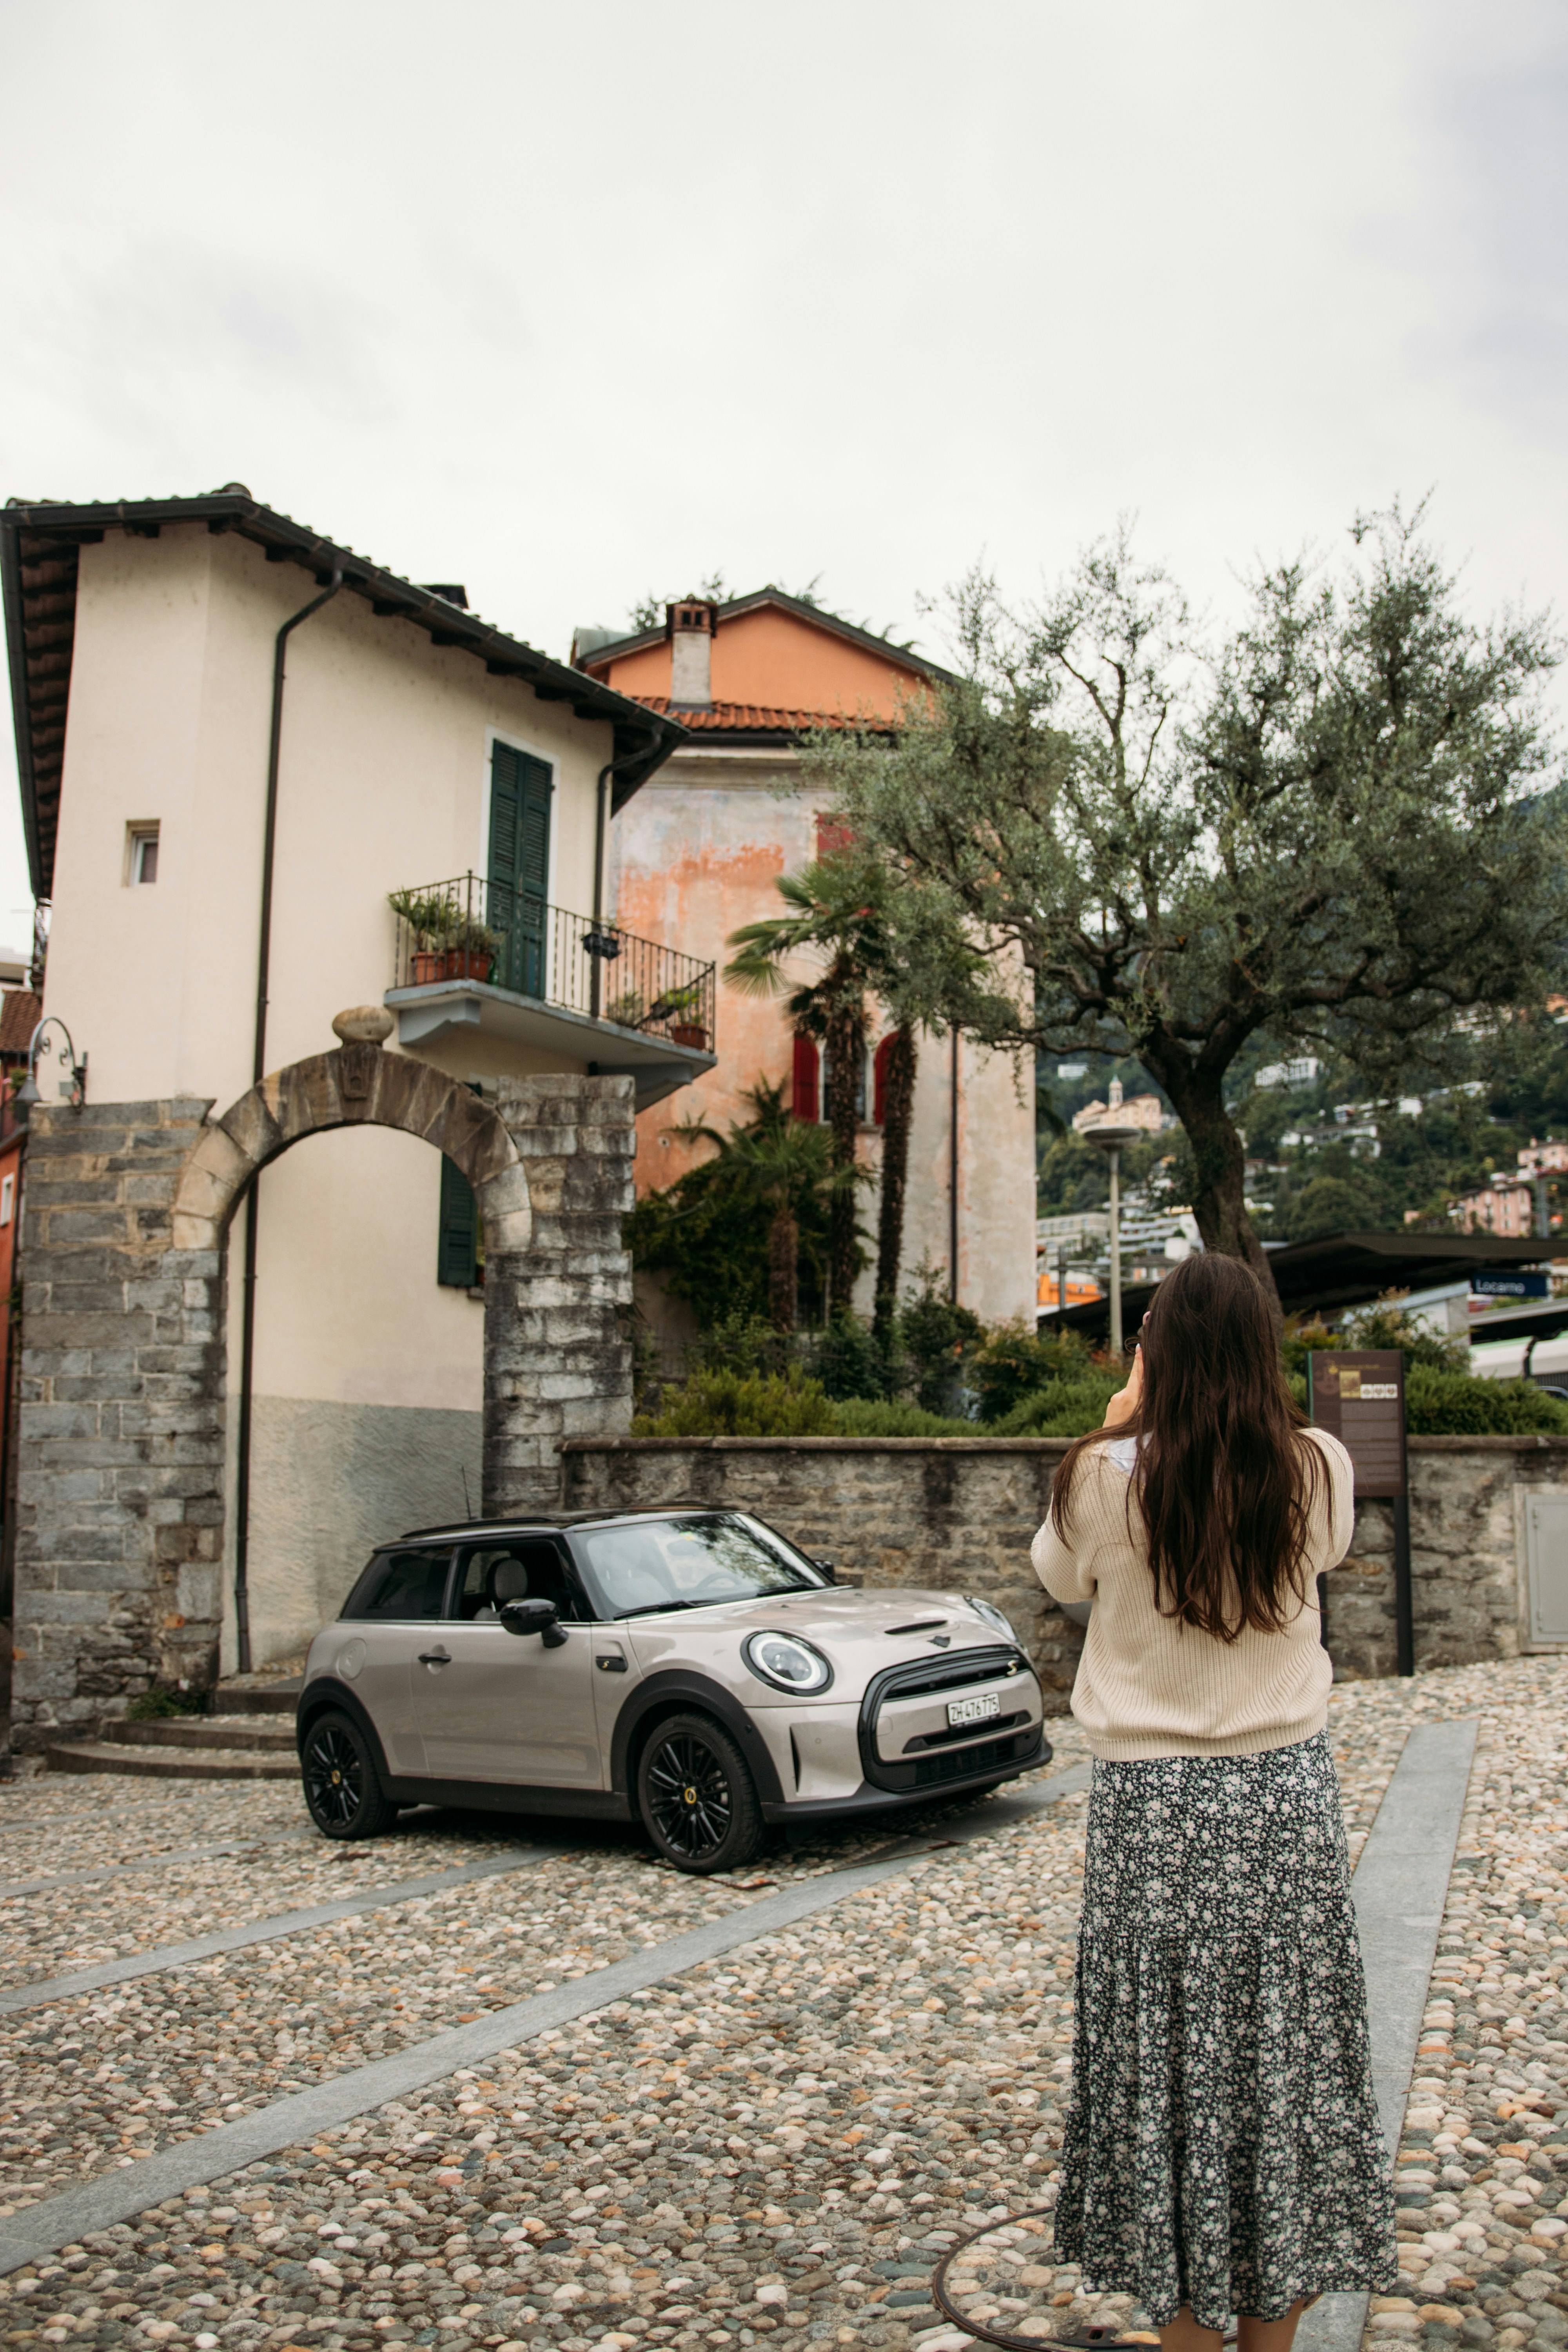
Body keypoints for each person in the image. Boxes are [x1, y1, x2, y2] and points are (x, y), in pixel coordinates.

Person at [1031, 1253, 1396, 2352]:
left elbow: (1057, 1578)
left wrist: (1112, 1419)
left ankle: (1183, 2319)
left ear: (1160, 1356)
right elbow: (1320, 1554)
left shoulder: (1099, 1479)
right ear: (1262, 1348)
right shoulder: (1317, 1469)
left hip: (1152, 1811)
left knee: (1170, 2071)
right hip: (1282, 1801)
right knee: (1278, 2067)